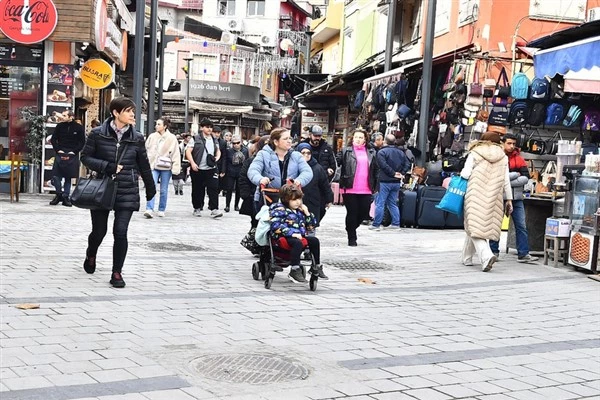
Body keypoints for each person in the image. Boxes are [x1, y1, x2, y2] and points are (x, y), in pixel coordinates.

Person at [80, 97, 156, 288]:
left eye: (133, 111)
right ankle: (91, 253)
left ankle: (116, 272)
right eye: (129, 111)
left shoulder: (137, 137)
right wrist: (108, 166)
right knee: (99, 231)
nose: (133, 114)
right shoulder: (98, 134)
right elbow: (85, 157)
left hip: (127, 188)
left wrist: (150, 187)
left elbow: (143, 164)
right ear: (116, 112)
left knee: (120, 232)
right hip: (102, 187)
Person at [461, 132, 513, 272]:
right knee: (475, 224)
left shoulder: (475, 152)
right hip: (494, 196)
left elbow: (465, 174)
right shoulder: (503, 157)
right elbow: (506, 181)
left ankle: (486, 256)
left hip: (475, 193)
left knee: (475, 226)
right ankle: (466, 258)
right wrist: (509, 199)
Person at [489, 134, 539, 263]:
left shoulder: (519, 159)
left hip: (516, 198)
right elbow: (496, 178)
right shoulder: (497, 157)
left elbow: (525, 177)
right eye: (509, 143)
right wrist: (514, 175)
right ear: (503, 143)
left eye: (513, 144)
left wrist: (506, 180)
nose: (511, 146)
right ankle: (493, 252)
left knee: (521, 225)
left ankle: (523, 253)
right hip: (499, 197)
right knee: (496, 225)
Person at [269, 183, 324, 284]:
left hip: (299, 236)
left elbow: (311, 227)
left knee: (314, 241)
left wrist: (307, 213)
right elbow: (275, 226)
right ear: (286, 200)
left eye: (299, 199)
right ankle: (294, 270)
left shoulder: (300, 211)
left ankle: (316, 266)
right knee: (297, 242)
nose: (298, 202)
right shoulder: (279, 210)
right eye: (294, 200)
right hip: (284, 237)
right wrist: (291, 233)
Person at [248, 128, 313, 205]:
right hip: (267, 198)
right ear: (276, 142)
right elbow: (253, 170)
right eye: (285, 139)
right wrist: (260, 179)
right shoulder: (263, 154)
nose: (289, 141)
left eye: (290, 138)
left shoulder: (297, 156)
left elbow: (307, 172)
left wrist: (299, 180)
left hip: (290, 199)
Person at [297, 142, 333, 279]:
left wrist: (329, 199)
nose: (306, 155)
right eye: (303, 153)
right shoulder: (295, 167)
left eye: (308, 153)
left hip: (312, 203)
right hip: (295, 203)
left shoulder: (317, 168)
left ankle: (309, 251)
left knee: (311, 227)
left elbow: (325, 185)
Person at [337, 128, 378, 246]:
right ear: (352, 138)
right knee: (352, 212)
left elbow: (376, 169)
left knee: (364, 212)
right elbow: (336, 163)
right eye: (356, 137)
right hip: (349, 187)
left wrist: (376, 185)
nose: (358, 139)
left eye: (361, 137)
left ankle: (350, 227)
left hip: (366, 188)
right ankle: (352, 237)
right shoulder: (346, 151)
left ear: (365, 139)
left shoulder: (371, 152)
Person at [370, 134, 410, 231]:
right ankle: (396, 224)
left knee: (380, 203)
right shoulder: (401, 152)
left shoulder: (381, 152)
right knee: (392, 203)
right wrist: (401, 173)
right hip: (396, 182)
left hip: (384, 181)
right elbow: (407, 163)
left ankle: (376, 224)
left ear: (385, 141)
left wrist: (393, 173)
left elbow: (383, 165)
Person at [185, 119, 223, 218]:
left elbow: (218, 150)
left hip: (211, 168)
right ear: (202, 128)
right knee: (197, 189)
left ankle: (214, 209)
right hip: (198, 168)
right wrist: (192, 163)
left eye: (211, 127)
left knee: (214, 188)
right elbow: (188, 151)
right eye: (207, 127)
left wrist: (217, 157)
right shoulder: (195, 138)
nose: (209, 129)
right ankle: (197, 207)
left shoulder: (214, 139)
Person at [143, 118, 181, 218]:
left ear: (165, 126)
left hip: (166, 166)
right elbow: (146, 149)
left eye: (159, 124)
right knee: (151, 186)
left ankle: (161, 209)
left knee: (164, 189)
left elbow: (176, 153)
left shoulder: (172, 138)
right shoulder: (152, 136)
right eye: (156, 124)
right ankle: (149, 208)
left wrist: (176, 167)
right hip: (153, 164)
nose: (156, 126)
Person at [49, 111, 86, 206]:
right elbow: (53, 139)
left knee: (68, 176)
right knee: (56, 176)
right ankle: (58, 194)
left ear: (71, 117)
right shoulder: (59, 126)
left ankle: (66, 197)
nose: (62, 116)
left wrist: (74, 151)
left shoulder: (78, 128)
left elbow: (82, 142)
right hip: (60, 152)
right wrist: (58, 150)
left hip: (72, 153)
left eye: (65, 115)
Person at [224, 134, 248, 212]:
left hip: (240, 172)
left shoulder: (245, 150)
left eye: (237, 143)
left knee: (238, 189)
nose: (236, 145)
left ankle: (236, 205)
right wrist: (224, 171)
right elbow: (226, 161)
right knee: (229, 189)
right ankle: (227, 205)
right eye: (234, 143)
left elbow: (246, 162)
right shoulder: (229, 151)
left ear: (240, 142)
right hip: (231, 172)